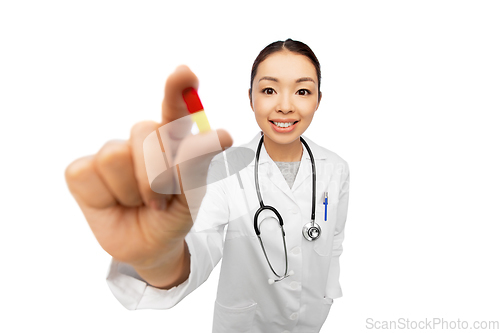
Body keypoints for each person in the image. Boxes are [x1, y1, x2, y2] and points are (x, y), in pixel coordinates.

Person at [65, 38, 350, 333]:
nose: (286, 106)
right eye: (268, 90)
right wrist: (159, 258)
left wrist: (328, 294)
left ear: (318, 99)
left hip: (313, 320)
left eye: (303, 91)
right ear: (251, 98)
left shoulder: (336, 167)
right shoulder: (225, 168)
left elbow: (333, 242)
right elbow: (200, 242)